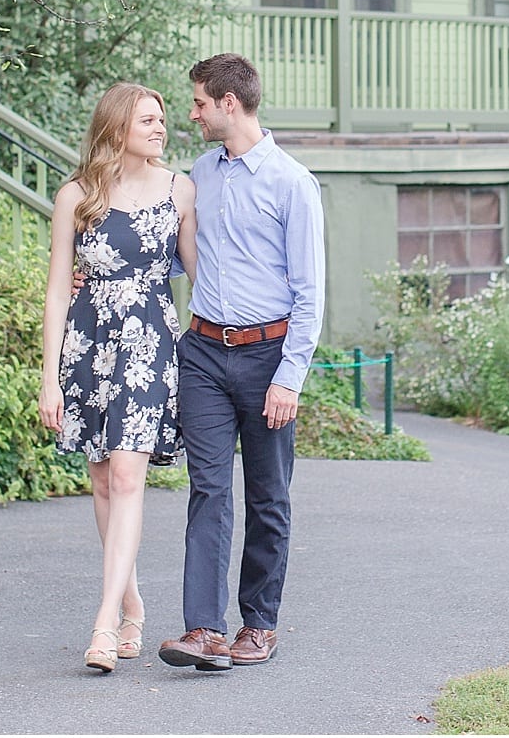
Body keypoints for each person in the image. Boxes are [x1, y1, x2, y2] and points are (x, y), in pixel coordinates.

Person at [157, 53, 324, 671]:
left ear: (230, 104)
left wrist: (290, 376)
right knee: (207, 489)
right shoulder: (201, 173)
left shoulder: (291, 183)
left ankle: (259, 624)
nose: (192, 113)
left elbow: (311, 292)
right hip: (202, 351)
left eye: (199, 102)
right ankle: (203, 628)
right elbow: (178, 253)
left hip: (267, 358)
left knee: (267, 497)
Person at [40, 83, 196, 674]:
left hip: (148, 344)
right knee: (103, 481)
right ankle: (131, 602)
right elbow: (57, 290)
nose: (160, 128)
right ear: (116, 127)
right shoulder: (77, 195)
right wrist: (48, 377)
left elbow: (200, 273)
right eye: (148, 120)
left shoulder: (180, 189)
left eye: (162, 119)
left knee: (129, 475)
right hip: (87, 346)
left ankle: (104, 622)